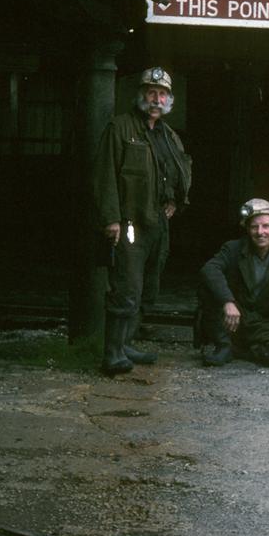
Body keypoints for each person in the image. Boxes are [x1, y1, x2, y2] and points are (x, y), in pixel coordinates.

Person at [94, 66, 192, 375]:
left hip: (157, 224)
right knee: (127, 287)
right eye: (151, 92)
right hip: (129, 223)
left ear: (169, 100)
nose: (156, 99)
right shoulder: (120, 128)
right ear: (141, 95)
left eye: (162, 94)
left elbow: (179, 172)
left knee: (148, 289)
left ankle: (126, 344)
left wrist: (175, 200)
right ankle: (112, 354)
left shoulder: (169, 135)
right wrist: (111, 219)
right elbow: (105, 175)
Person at [197, 199, 269, 367]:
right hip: (234, 314)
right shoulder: (233, 248)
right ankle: (223, 344)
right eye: (254, 227)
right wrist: (228, 301)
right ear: (247, 229)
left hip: (262, 320)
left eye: (265, 226)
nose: (260, 232)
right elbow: (209, 269)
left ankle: (237, 350)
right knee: (210, 287)